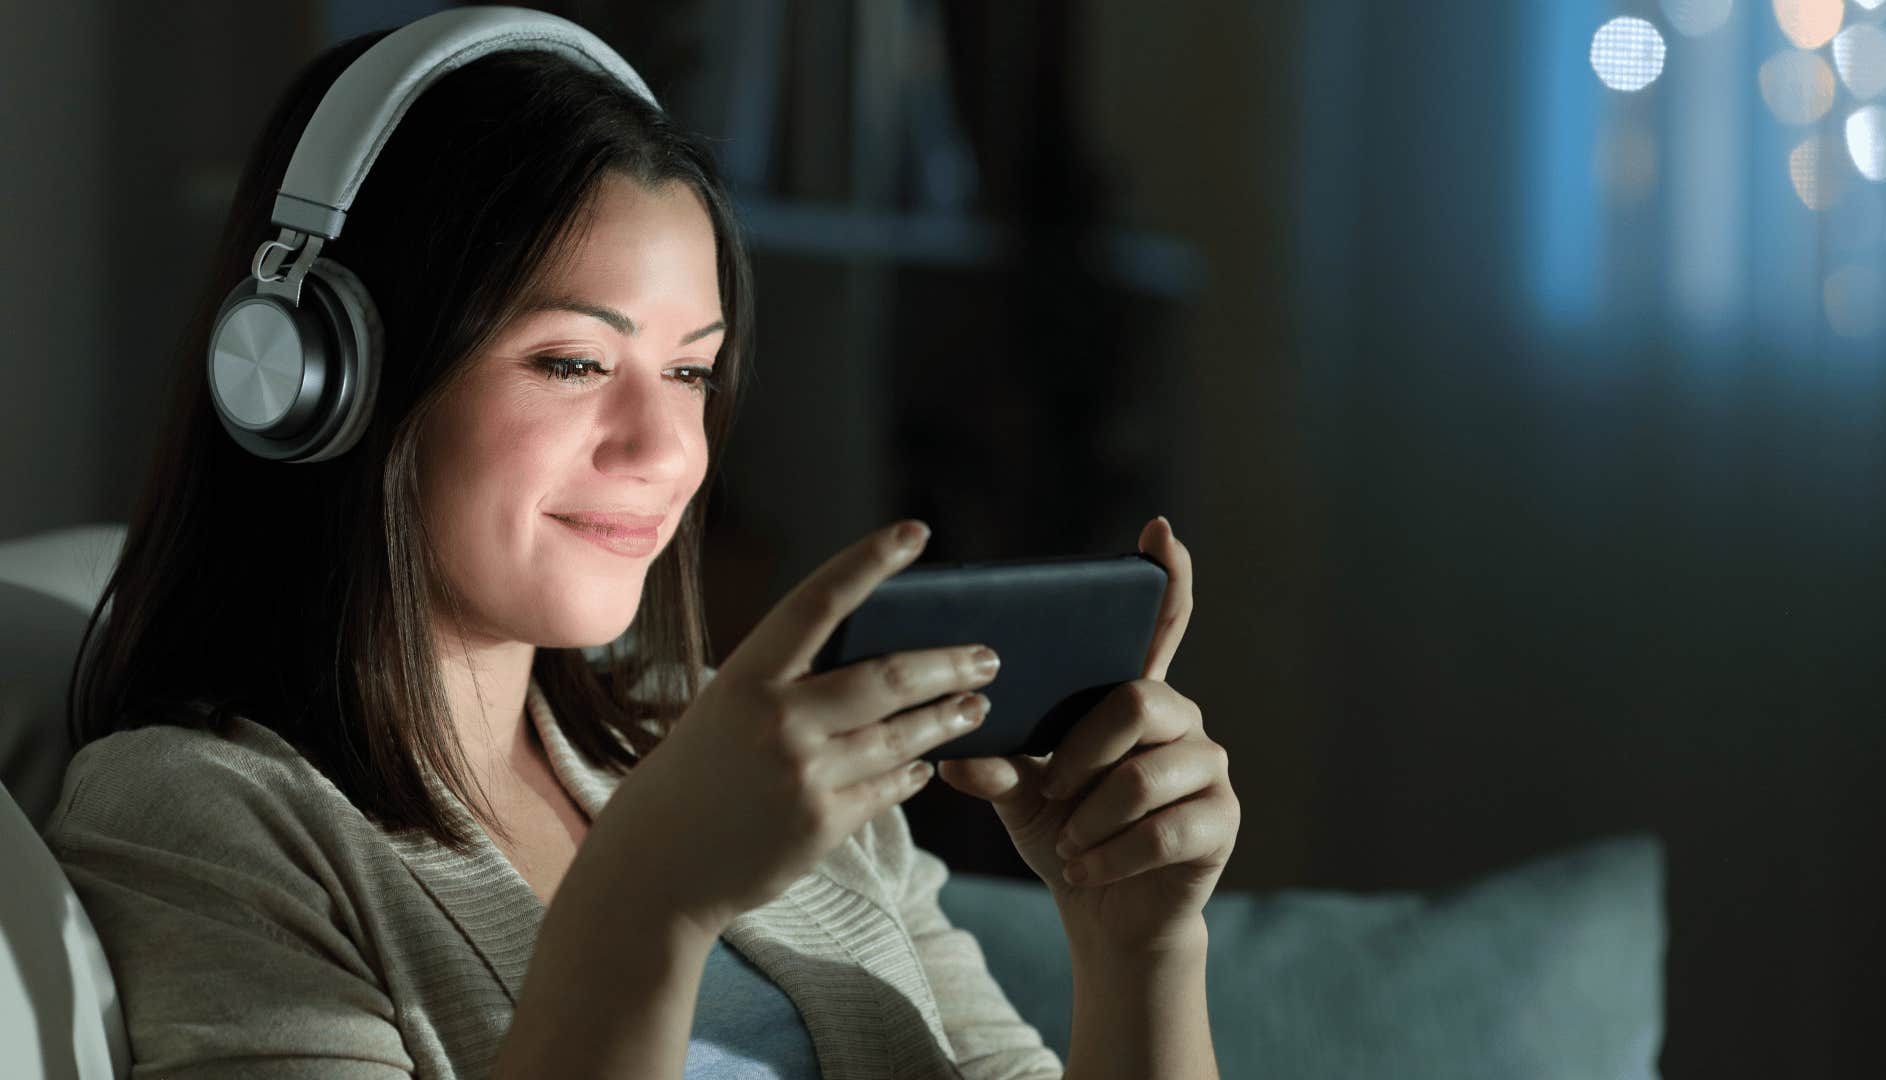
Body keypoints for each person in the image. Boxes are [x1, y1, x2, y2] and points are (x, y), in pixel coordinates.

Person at [44, 11, 1238, 1079]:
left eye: (690, 372)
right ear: (316, 377)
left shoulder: (737, 745)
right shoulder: (201, 817)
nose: (665, 452)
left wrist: (1138, 945)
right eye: (572, 363)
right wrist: (652, 901)